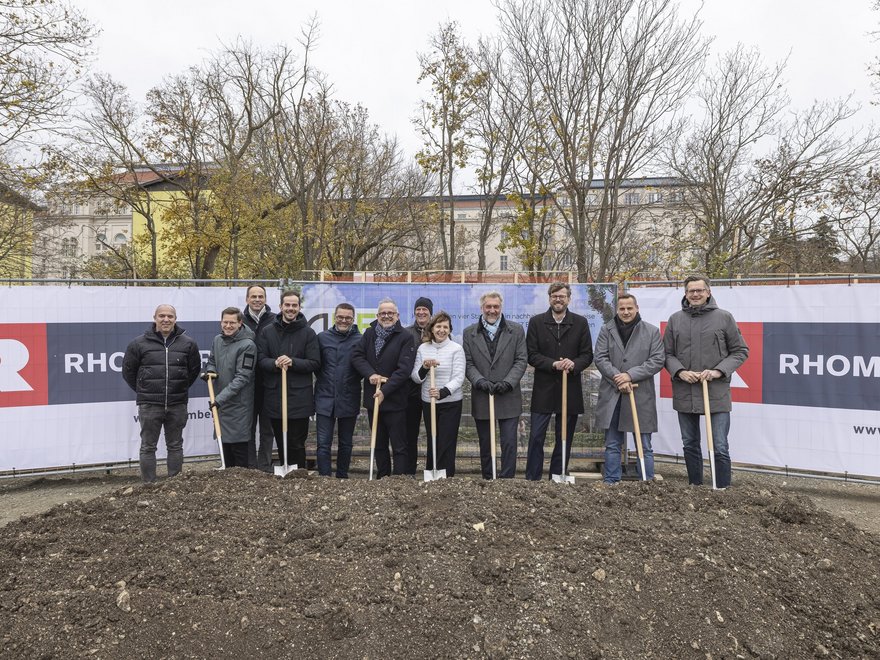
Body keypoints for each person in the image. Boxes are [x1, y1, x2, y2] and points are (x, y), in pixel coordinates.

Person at [664, 275, 749, 489]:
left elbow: (740, 351)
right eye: (691, 291)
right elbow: (666, 354)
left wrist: (718, 371)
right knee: (690, 444)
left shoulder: (724, 317)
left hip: (715, 392)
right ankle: (696, 486)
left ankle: (721, 489)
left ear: (708, 292)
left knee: (719, 445)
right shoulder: (675, 319)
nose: (695, 294)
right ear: (685, 294)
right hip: (686, 391)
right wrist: (680, 372)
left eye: (699, 290)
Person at [122, 304, 201, 483]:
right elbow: (129, 372)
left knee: (175, 446)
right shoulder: (138, 343)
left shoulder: (188, 343)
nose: (166, 319)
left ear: (175, 319)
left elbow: (194, 370)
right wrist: (145, 390)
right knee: (148, 447)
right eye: (162, 316)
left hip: (177, 403)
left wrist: (178, 388)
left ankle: (174, 483)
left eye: (170, 316)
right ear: (155, 318)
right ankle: (149, 485)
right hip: (149, 404)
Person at [525, 282, 594, 481]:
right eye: (555, 296)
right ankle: (532, 478)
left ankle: (557, 475)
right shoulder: (537, 322)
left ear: (568, 299)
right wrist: (553, 364)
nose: (558, 299)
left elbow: (587, 355)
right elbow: (532, 354)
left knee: (564, 437)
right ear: (549, 298)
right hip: (544, 389)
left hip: (569, 388)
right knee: (536, 436)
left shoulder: (580, 323)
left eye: (562, 296)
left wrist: (573, 364)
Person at [594, 293, 664, 484]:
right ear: (617, 309)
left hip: (640, 394)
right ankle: (611, 483)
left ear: (637, 308)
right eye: (622, 308)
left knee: (644, 445)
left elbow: (657, 360)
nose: (625, 312)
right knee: (612, 444)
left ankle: (646, 483)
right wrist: (619, 378)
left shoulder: (651, 331)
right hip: (613, 394)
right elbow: (600, 358)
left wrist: (630, 375)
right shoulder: (606, 330)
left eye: (629, 308)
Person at [462, 291, 528, 479]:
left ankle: (506, 479)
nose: (492, 310)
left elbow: (521, 359)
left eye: (496, 306)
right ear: (482, 308)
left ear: (501, 308)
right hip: (483, 396)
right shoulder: (469, 333)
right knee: (486, 441)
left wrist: (508, 382)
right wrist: (479, 381)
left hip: (508, 395)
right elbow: (468, 362)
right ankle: (488, 478)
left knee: (509, 442)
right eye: (488, 306)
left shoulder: (515, 331)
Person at [351, 298, 416, 478]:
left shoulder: (405, 337)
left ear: (397, 316)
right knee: (378, 444)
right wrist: (370, 374)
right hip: (374, 401)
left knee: (399, 445)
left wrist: (385, 391)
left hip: (395, 401)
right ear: (377, 316)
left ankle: (399, 479)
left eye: (390, 313)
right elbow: (357, 356)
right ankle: (382, 477)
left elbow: (404, 370)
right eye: (383, 313)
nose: (386, 316)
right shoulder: (369, 334)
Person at [256, 290, 321, 470]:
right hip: (275, 395)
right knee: (281, 439)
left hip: (300, 397)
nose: (290, 308)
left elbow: (315, 362)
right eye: (287, 305)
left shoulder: (308, 333)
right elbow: (261, 359)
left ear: (299, 307)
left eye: (294, 305)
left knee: (296, 442)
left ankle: (298, 472)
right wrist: (275, 363)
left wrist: (293, 362)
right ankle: (284, 472)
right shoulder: (268, 332)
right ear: (280, 307)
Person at [412, 311, 466, 477]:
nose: (441, 330)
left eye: (445, 327)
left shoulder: (456, 349)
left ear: (450, 330)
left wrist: (442, 392)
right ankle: (432, 473)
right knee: (433, 438)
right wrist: (425, 368)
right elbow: (415, 377)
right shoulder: (423, 348)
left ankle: (446, 476)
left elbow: (459, 377)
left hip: (450, 403)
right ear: (432, 328)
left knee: (446, 441)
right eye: (438, 326)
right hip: (429, 402)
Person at [203, 307, 258, 468]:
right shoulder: (217, 340)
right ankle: (228, 483)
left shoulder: (248, 345)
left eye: (232, 323)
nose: (228, 326)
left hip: (238, 404)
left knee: (238, 447)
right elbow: (211, 361)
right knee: (224, 445)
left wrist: (219, 399)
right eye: (225, 322)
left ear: (240, 323)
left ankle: (241, 484)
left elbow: (243, 377)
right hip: (221, 401)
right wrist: (211, 371)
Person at [314, 303, 362, 478]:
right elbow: (316, 365)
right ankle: (325, 477)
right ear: (335, 317)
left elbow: (362, 367)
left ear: (353, 318)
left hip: (349, 396)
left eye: (348, 317)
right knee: (323, 443)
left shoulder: (360, 339)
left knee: (346, 443)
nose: (344, 320)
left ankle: (342, 476)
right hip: (325, 397)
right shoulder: (322, 338)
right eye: (340, 317)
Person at [242, 284, 276, 472]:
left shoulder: (274, 320)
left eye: (260, 296)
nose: (257, 299)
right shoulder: (239, 320)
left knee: (267, 428)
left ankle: (265, 465)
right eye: (253, 296)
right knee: (247, 427)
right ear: (247, 299)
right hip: (246, 382)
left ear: (265, 299)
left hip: (269, 382)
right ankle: (250, 466)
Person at [404, 296, 433, 474]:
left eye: (425, 310)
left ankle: (432, 469)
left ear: (430, 313)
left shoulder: (438, 332)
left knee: (433, 433)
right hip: (410, 392)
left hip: (432, 391)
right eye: (418, 309)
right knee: (409, 434)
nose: (421, 312)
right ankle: (409, 471)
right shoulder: (406, 333)